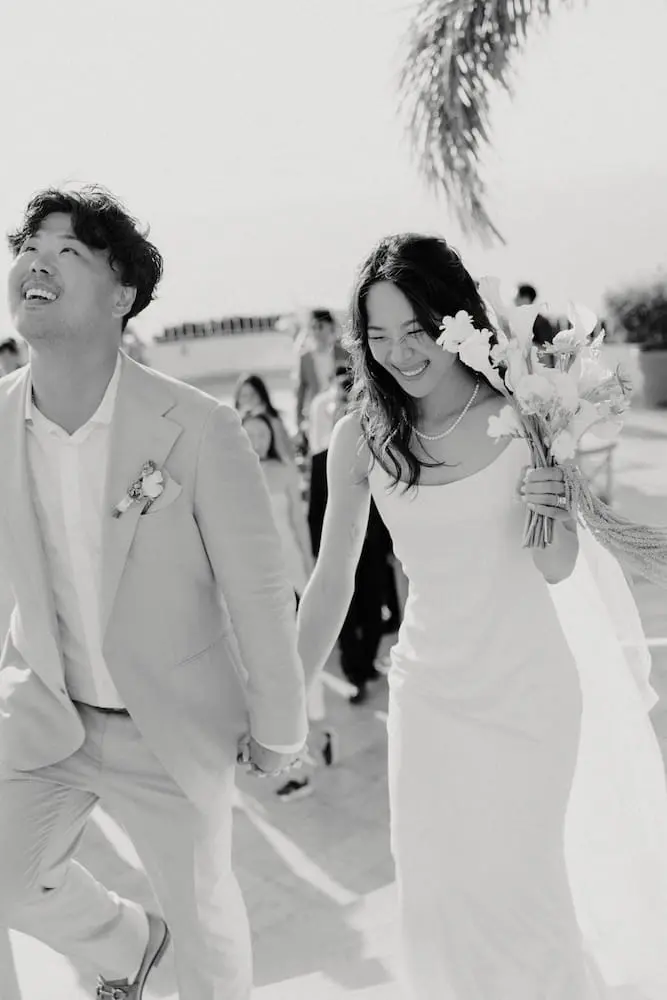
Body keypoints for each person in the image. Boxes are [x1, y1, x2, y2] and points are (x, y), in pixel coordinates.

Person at [296, 232, 667, 998]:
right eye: (378, 336)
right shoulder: (359, 436)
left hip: (528, 692)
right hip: (431, 698)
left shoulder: (524, 415)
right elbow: (331, 579)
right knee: (439, 893)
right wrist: (287, 701)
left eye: (417, 330)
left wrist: (554, 505)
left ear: (453, 317)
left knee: (522, 891)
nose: (399, 353)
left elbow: (557, 566)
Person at [0, 186, 308, 1000]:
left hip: (170, 726)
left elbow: (260, 588)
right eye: (28, 246)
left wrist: (280, 722)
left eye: (68, 251)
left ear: (121, 295)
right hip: (45, 720)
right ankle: (132, 945)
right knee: (8, 877)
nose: (36, 261)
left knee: (205, 930)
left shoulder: (199, 427)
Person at [242, 411, 336, 801]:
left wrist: (313, 573)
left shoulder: (283, 472)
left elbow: (299, 526)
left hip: (292, 579)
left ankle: (310, 751)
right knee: (271, 671)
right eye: (251, 434)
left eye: (264, 432)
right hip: (255, 587)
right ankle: (306, 742)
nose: (259, 440)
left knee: (303, 666)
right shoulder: (233, 477)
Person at [293, 308, 348, 447]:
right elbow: (300, 391)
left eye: (320, 326)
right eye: (313, 327)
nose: (317, 332)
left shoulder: (343, 353)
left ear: (330, 326)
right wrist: (298, 421)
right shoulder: (305, 358)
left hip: (341, 410)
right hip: (316, 413)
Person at [233, 372, 296, 466]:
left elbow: (288, 457)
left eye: (253, 394)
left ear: (261, 396)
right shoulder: (235, 424)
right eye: (244, 396)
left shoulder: (274, 422)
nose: (249, 400)